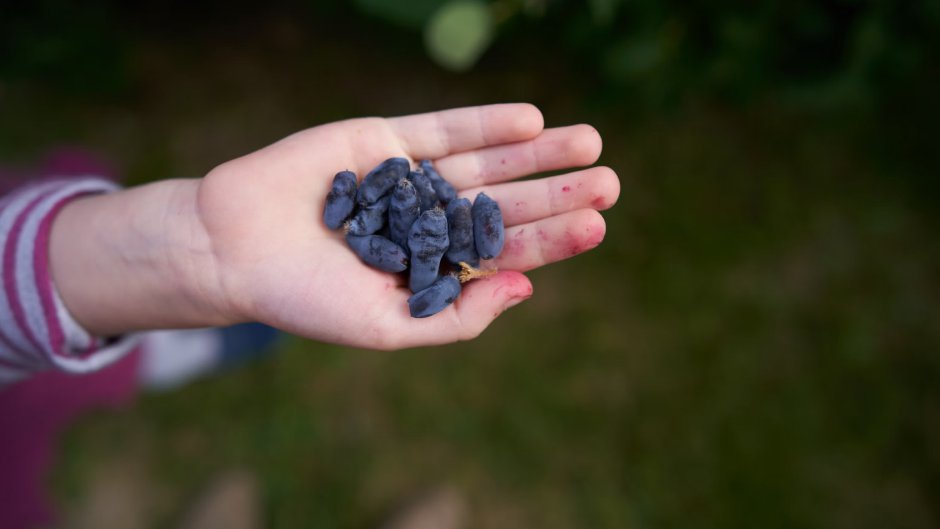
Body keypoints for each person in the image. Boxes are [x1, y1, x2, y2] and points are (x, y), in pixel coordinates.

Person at [0, 103, 620, 528]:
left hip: (81, 323)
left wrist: (188, 245)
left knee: (242, 338)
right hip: (78, 351)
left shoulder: (418, 215)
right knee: (241, 337)